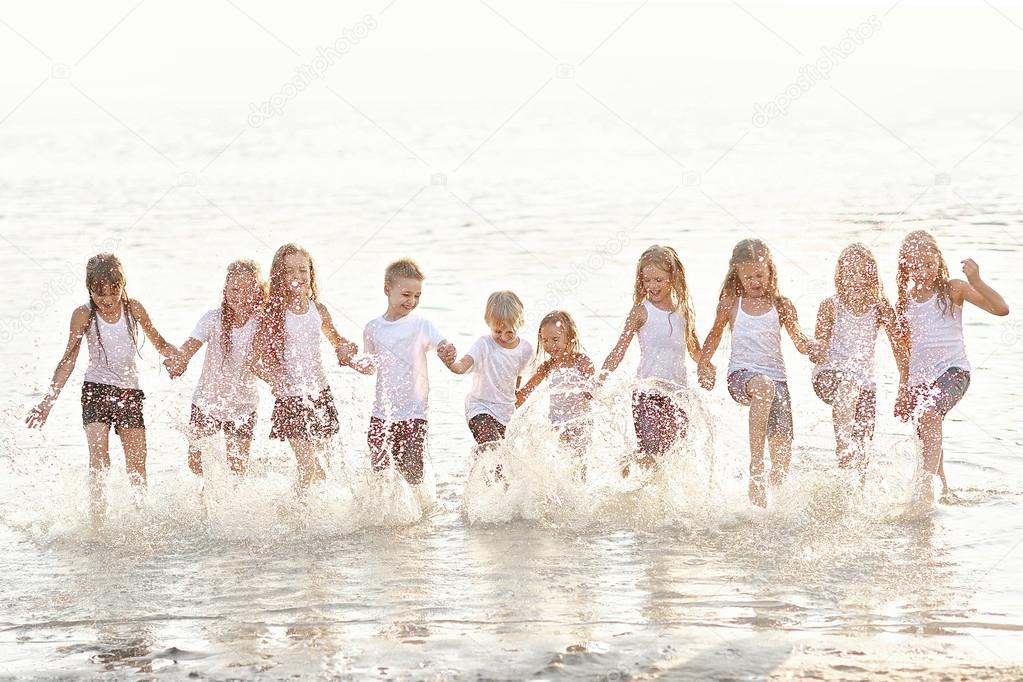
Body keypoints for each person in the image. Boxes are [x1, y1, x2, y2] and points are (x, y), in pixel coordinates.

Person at [26, 253, 177, 508]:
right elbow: (68, 361)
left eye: (112, 293)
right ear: (89, 289)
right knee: (99, 460)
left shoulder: (134, 309)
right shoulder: (83, 315)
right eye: (99, 294)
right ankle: (97, 521)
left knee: (137, 465)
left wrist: (179, 358)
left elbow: (160, 343)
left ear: (122, 286)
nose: (106, 300)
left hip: (129, 392)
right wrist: (47, 403)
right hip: (95, 390)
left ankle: (141, 515)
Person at [698, 239, 817, 507]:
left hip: (778, 382)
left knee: (782, 456)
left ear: (771, 272)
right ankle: (756, 466)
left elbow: (799, 341)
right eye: (748, 276)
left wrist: (813, 347)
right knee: (763, 387)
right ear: (737, 275)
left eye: (760, 275)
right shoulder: (730, 305)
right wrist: (704, 364)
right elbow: (714, 337)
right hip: (742, 376)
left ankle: (769, 513)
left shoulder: (782, 305)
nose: (755, 281)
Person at [893, 230, 1008, 502]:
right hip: (919, 379)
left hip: (954, 372)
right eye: (917, 266)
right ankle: (943, 492)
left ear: (938, 261)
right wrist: (903, 388)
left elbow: (1000, 309)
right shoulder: (904, 303)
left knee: (931, 415)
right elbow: (905, 354)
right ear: (906, 268)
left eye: (930, 264)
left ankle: (923, 491)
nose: (924, 271)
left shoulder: (952, 289)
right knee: (926, 433)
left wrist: (976, 280)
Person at [249, 244, 359, 490]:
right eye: (289, 272)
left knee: (320, 468)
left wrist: (349, 351)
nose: (297, 277)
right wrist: (274, 380)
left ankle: (305, 512)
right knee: (308, 466)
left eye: (302, 270)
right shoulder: (273, 313)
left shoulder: (318, 310)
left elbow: (337, 343)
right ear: (279, 276)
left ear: (311, 274)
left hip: (320, 395)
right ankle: (296, 516)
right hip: (290, 400)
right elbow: (251, 360)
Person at [352, 258, 457, 489]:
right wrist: (354, 362)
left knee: (411, 472)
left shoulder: (421, 325)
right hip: (382, 414)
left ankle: (416, 517)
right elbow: (370, 366)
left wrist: (447, 350)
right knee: (381, 474)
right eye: (406, 294)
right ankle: (387, 515)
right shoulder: (373, 328)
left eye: (417, 296)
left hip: (414, 414)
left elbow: (441, 344)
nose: (412, 301)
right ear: (387, 290)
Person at [601, 245, 701, 474]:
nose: (652, 286)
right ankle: (628, 475)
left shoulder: (683, 312)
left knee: (673, 453)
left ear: (673, 277)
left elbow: (696, 350)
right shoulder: (640, 312)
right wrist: (600, 379)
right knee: (653, 454)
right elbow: (619, 350)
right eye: (647, 280)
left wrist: (707, 366)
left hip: (677, 394)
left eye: (658, 279)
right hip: (647, 392)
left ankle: (650, 492)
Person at [165, 259, 267, 475]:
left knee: (237, 470)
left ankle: (231, 504)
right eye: (235, 289)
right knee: (196, 466)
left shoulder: (261, 323)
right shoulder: (212, 319)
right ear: (226, 291)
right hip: (207, 401)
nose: (241, 296)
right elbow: (189, 347)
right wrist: (179, 361)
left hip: (243, 406)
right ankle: (207, 499)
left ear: (258, 292)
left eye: (249, 290)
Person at [811, 244, 901, 479]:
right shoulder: (830, 306)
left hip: (865, 384)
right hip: (828, 376)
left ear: (872, 276)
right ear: (840, 276)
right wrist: (813, 349)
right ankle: (842, 449)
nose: (857, 279)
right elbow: (819, 350)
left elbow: (900, 349)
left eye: (863, 273)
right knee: (849, 384)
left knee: (863, 456)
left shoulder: (881, 307)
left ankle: (853, 495)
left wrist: (905, 385)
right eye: (851, 273)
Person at [447, 291, 533, 450]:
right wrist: (451, 363)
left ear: (519, 324)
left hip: (506, 413)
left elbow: (519, 377)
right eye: (497, 331)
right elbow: (463, 365)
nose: (503, 337)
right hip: (479, 408)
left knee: (499, 459)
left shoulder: (525, 349)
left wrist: (517, 401)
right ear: (489, 323)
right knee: (493, 446)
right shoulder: (484, 344)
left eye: (509, 332)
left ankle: (476, 472)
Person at [516, 310, 595, 460]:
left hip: (580, 422)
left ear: (570, 338)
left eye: (555, 339)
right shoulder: (547, 367)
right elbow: (524, 393)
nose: (550, 345)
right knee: (562, 460)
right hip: (557, 424)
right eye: (545, 340)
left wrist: (590, 391)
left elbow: (594, 389)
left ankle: (579, 483)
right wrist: (508, 403)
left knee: (579, 461)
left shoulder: (582, 362)